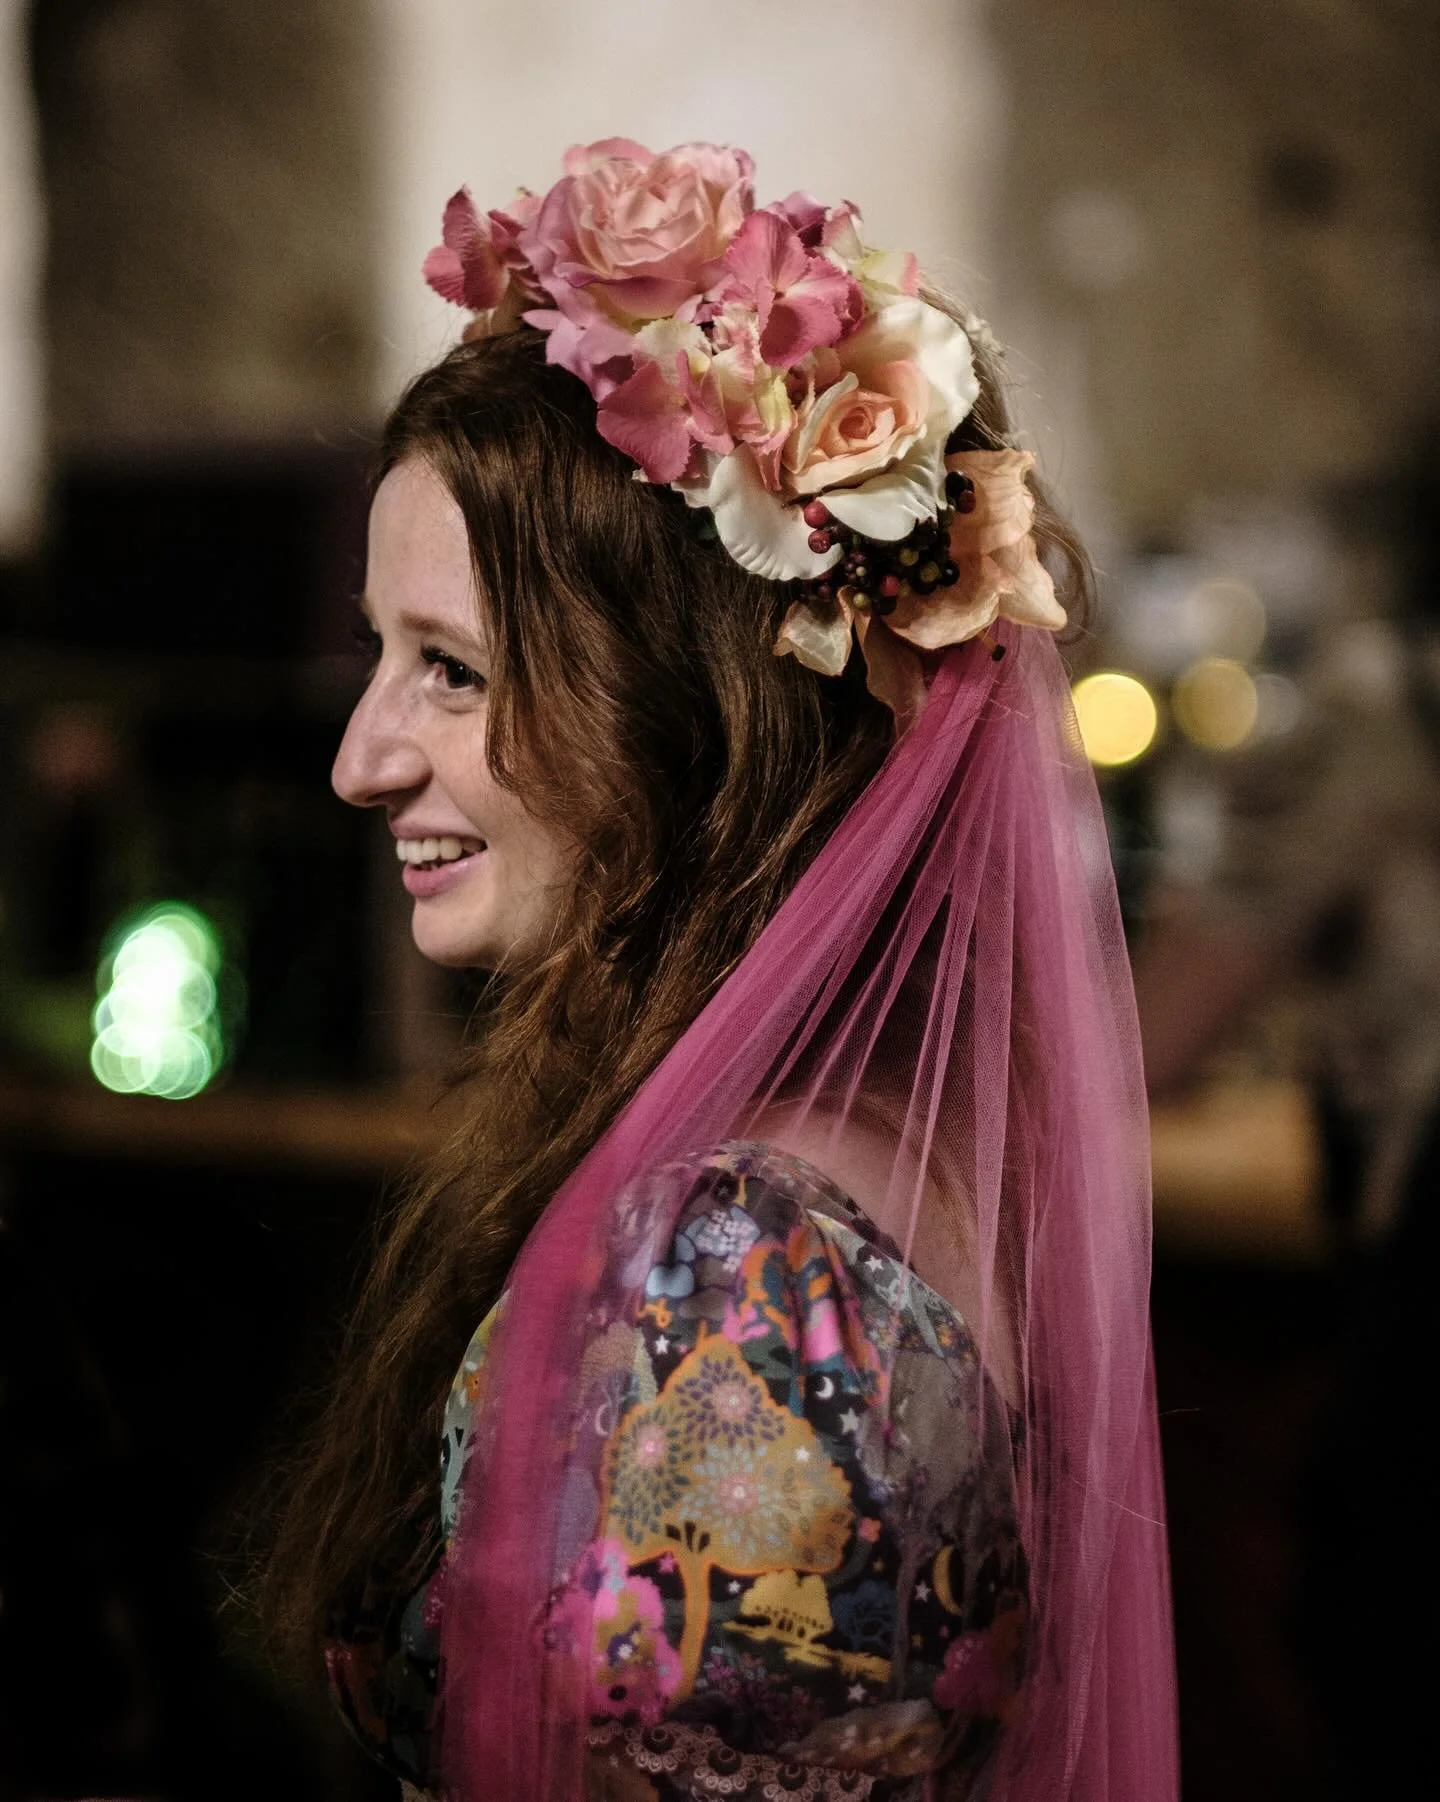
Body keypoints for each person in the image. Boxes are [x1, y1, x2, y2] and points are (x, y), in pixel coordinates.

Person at [260, 140, 1176, 1802]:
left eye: (451, 673)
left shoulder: (744, 1278)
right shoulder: (861, 1148)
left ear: (685, 715)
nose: (360, 756)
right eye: (378, 655)